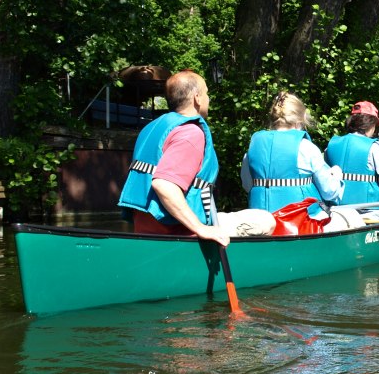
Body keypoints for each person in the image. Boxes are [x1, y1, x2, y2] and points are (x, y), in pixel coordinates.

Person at [118, 70, 275, 244]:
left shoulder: (152, 128)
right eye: (207, 93)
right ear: (197, 97)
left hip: (147, 227)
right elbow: (163, 185)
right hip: (175, 229)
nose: (209, 99)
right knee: (265, 219)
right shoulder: (190, 133)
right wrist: (201, 229)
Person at [241, 91, 344, 213]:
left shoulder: (253, 148)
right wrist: (337, 176)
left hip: (262, 223)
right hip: (301, 224)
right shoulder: (306, 148)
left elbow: (247, 186)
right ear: (299, 122)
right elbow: (329, 192)